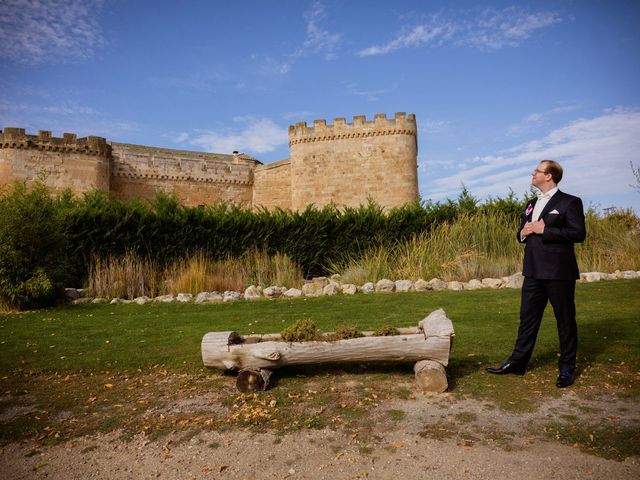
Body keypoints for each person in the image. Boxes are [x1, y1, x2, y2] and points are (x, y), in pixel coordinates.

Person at [486, 160, 586, 388]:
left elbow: (578, 233)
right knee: (527, 319)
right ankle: (517, 363)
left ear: (549, 176)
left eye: (537, 171)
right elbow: (522, 232)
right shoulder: (531, 203)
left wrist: (545, 230)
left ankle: (567, 368)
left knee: (565, 320)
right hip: (532, 271)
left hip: (559, 272)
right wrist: (523, 232)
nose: (533, 173)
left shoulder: (570, 202)